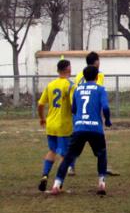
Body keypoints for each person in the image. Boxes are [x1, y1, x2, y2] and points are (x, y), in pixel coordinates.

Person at [51, 66, 112, 196]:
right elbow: (106, 107)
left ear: (84, 77)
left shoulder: (78, 89)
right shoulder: (100, 89)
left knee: (69, 157)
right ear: (97, 77)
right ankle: (101, 183)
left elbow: (73, 109)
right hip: (95, 128)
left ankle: (56, 184)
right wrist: (107, 120)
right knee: (101, 154)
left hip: (79, 128)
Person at [71, 51, 112, 176]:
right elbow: (96, 92)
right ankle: (103, 168)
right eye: (99, 60)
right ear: (96, 62)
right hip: (92, 113)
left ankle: (70, 166)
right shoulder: (99, 75)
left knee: (76, 141)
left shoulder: (79, 74)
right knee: (99, 141)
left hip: (79, 112)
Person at [37, 59, 74, 192]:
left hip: (51, 124)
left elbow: (40, 104)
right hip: (63, 125)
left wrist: (42, 118)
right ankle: (58, 183)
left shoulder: (51, 85)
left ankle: (45, 175)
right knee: (64, 155)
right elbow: (73, 105)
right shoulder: (70, 85)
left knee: (52, 150)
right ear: (68, 69)